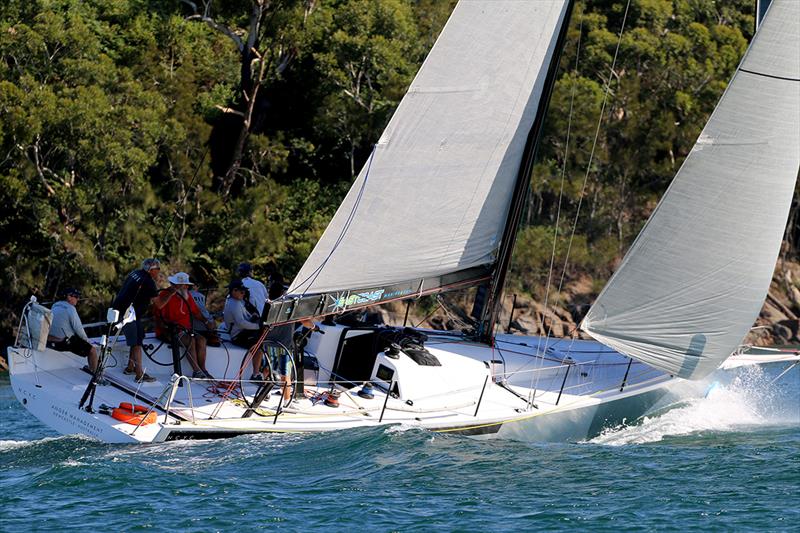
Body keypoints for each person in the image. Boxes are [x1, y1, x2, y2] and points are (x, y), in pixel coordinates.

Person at [155, 272, 216, 379]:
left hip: (186, 329)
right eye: (184, 285)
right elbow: (158, 315)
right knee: (190, 341)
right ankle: (196, 371)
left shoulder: (186, 296)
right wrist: (166, 331)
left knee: (202, 340)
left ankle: (203, 369)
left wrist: (207, 322)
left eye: (187, 285)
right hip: (172, 330)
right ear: (175, 285)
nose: (187, 287)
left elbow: (196, 313)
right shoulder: (165, 295)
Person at [264, 274, 314, 403]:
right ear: (282, 293)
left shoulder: (269, 305)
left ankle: (265, 393)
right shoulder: (290, 306)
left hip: (269, 343)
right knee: (285, 375)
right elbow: (305, 321)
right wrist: (313, 326)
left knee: (268, 368)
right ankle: (286, 402)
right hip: (284, 345)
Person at [112, 258, 161, 383]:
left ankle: (130, 367)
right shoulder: (149, 282)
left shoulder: (135, 273)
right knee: (137, 343)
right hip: (128, 314)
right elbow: (159, 304)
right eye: (157, 269)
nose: (159, 272)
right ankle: (139, 374)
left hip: (121, 310)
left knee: (138, 336)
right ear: (151, 270)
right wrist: (172, 292)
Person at [47, 288, 103, 381]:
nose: (78, 299)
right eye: (76, 297)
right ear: (69, 297)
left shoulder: (54, 306)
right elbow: (78, 329)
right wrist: (87, 342)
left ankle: (91, 369)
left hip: (51, 342)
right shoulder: (71, 309)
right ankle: (96, 376)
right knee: (92, 350)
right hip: (63, 343)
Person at [223, 279, 264, 381]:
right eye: (241, 291)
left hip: (243, 332)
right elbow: (241, 323)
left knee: (263, 338)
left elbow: (246, 317)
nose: (244, 293)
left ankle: (261, 367)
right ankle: (255, 374)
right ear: (234, 291)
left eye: (244, 291)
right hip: (238, 336)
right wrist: (258, 327)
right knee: (259, 345)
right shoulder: (234, 304)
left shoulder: (239, 302)